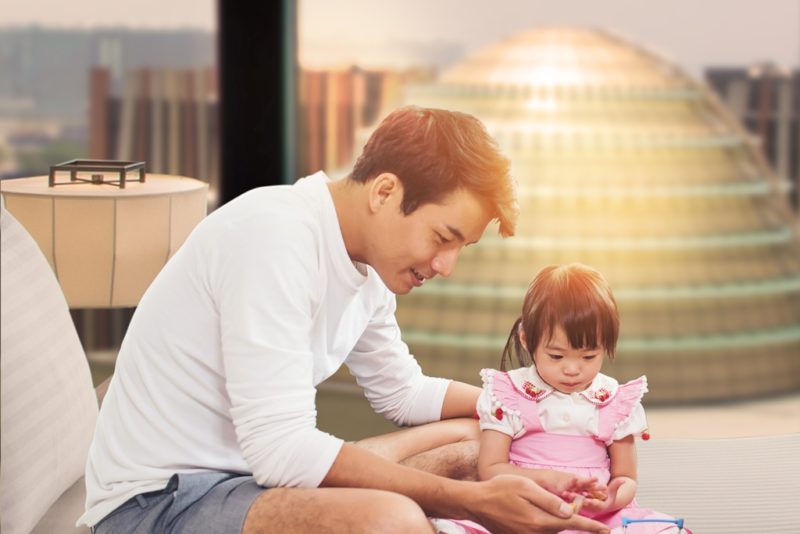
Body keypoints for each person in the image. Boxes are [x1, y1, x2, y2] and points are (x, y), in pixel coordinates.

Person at [79, 107, 611, 534]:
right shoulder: (274, 236)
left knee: (477, 434)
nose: (447, 266)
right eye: (443, 238)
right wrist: (469, 500)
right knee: (391, 520)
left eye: (461, 248)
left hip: (251, 476)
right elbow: (282, 452)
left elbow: (401, 394)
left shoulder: (368, 267)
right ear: (385, 191)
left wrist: (535, 405)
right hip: (161, 503)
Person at [433, 263, 690, 534]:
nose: (572, 369)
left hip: (597, 515)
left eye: (589, 356)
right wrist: (548, 481)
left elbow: (626, 477)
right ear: (526, 339)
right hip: (521, 508)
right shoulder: (509, 393)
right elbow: (491, 468)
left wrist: (612, 500)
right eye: (556, 356)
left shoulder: (613, 400)